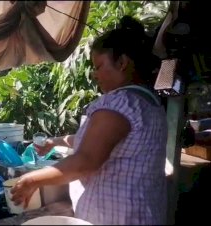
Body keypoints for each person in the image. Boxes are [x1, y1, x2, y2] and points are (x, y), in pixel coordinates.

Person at [10, 16, 168, 225]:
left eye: (99, 66)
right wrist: (56, 141)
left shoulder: (120, 103)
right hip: (142, 213)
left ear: (122, 63)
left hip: (116, 217)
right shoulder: (148, 102)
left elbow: (87, 161)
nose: (95, 74)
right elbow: (104, 142)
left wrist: (31, 179)